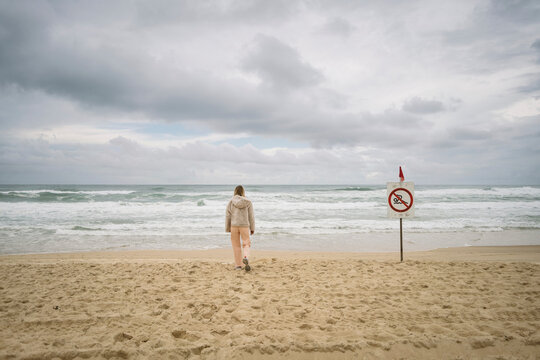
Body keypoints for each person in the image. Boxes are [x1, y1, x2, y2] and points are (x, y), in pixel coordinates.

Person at [225, 185, 255, 271]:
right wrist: (252, 228)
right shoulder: (248, 202)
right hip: (244, 225)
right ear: (243, 192)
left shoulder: (231, 202)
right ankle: (245, 257)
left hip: (234, 225)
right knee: (246, 243)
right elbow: (251, 216)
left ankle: (238, 265)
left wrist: (227, 228)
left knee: (236, 245)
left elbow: (228, 215)